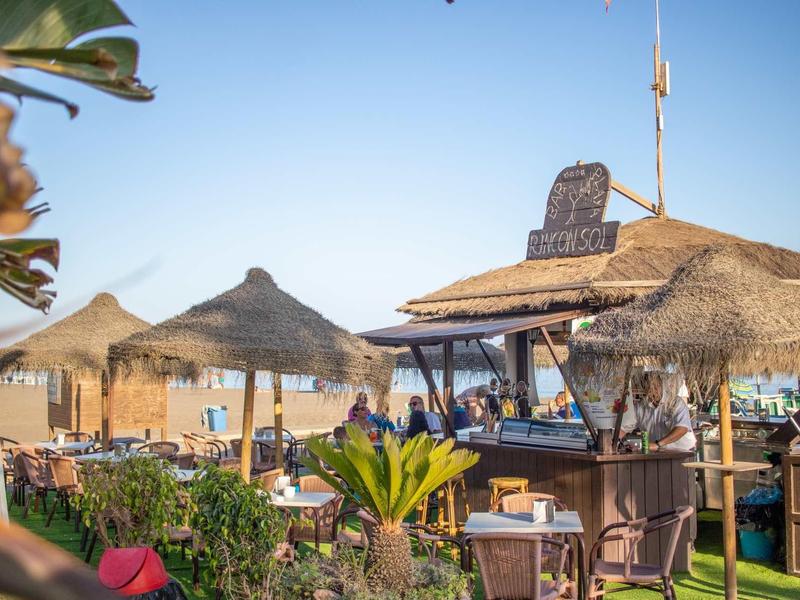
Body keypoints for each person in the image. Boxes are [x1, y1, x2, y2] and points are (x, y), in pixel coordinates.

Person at [621, 371, 696, 452]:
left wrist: (658, 444)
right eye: (648, 386)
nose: (652, 389)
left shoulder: (676, 403)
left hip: (683, 451)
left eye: (655, 386)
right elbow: (623, 429)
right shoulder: (641, 407)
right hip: (657, 452)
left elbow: (682, 429)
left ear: (662, 386)